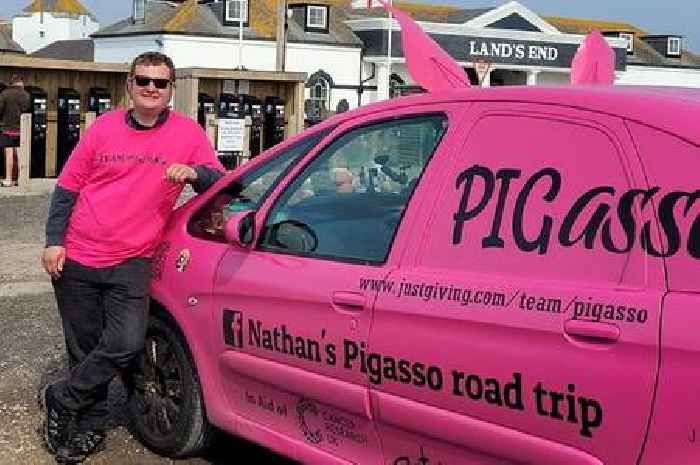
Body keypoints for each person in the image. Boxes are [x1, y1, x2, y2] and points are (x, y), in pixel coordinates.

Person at [39, 51, 225, 464]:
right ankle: (89, 428)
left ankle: (61, 397)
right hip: (80, 255)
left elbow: (221, 183)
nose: (151, 89)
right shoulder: (102, 130)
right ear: (129, 84)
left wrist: (195, 173)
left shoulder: (188, 134)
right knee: (84, 348)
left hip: (132, 259)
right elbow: (67, 189)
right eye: (144, 80)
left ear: (171, 89)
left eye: (160, 83)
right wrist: (54, 241)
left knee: (124, 343)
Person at [0, 74, 30, 186]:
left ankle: (8, 179)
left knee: (9, 154)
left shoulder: (4, 94)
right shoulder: (26, 95)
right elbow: (28, 110)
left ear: (11, 83)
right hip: (22, 129)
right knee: (20, 154)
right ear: (21, 82)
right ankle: (20, 178)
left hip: (7, 128)